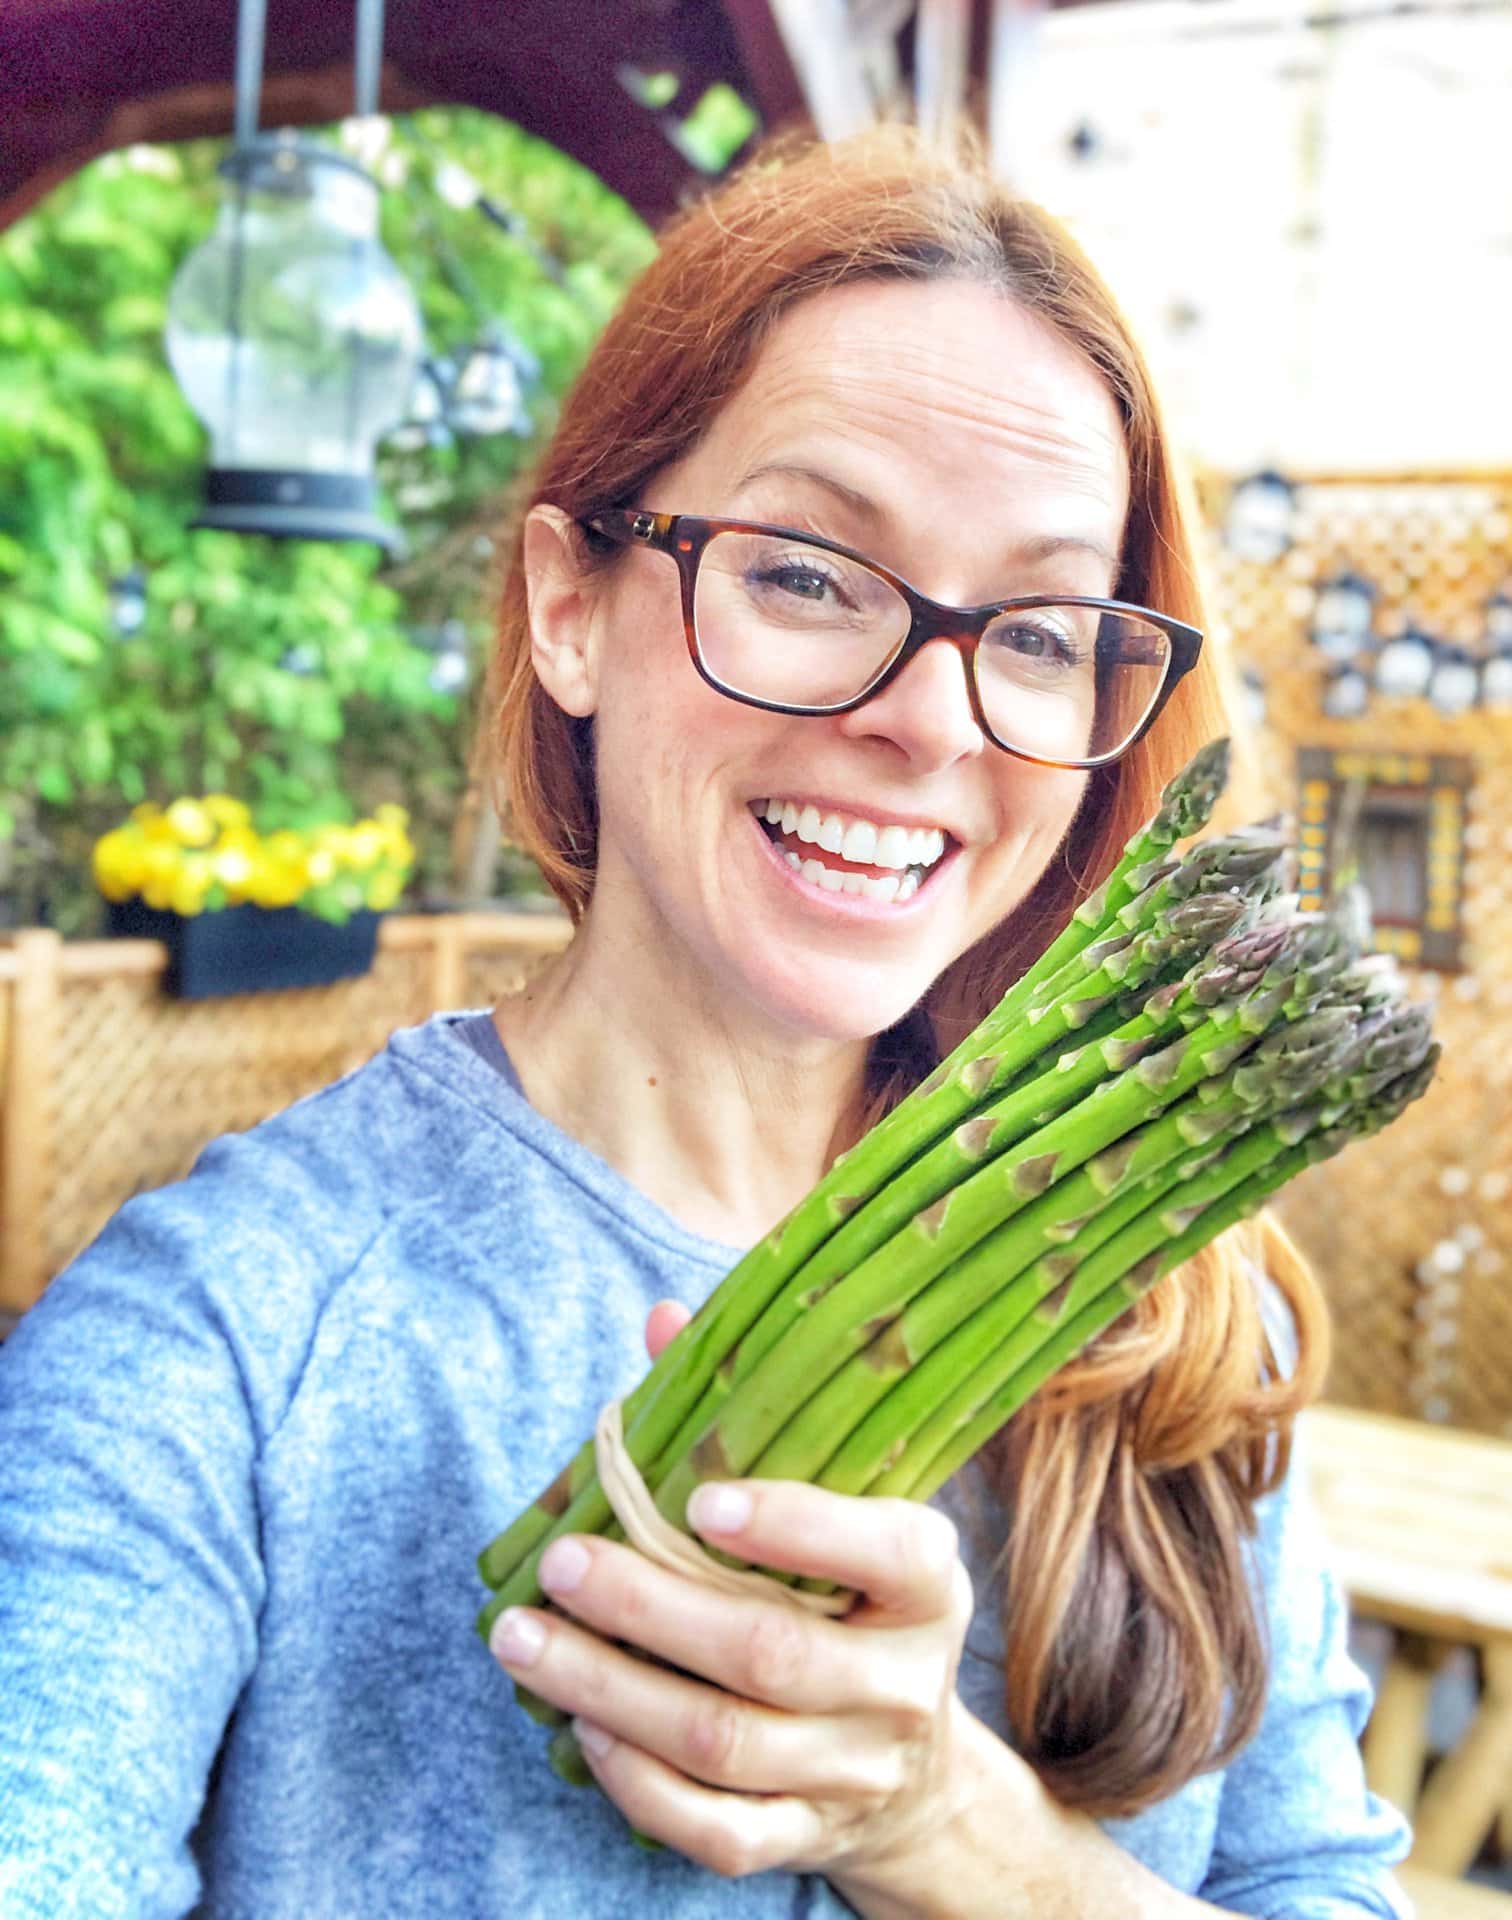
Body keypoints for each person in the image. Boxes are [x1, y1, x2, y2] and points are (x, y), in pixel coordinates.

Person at [0, 126, 1410, 1918]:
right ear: (570, 609)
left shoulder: (1163, 1317)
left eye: (1042, 631)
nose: (930, 721)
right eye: (809, 574)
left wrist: (943, 1829)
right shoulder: (223, 1340)